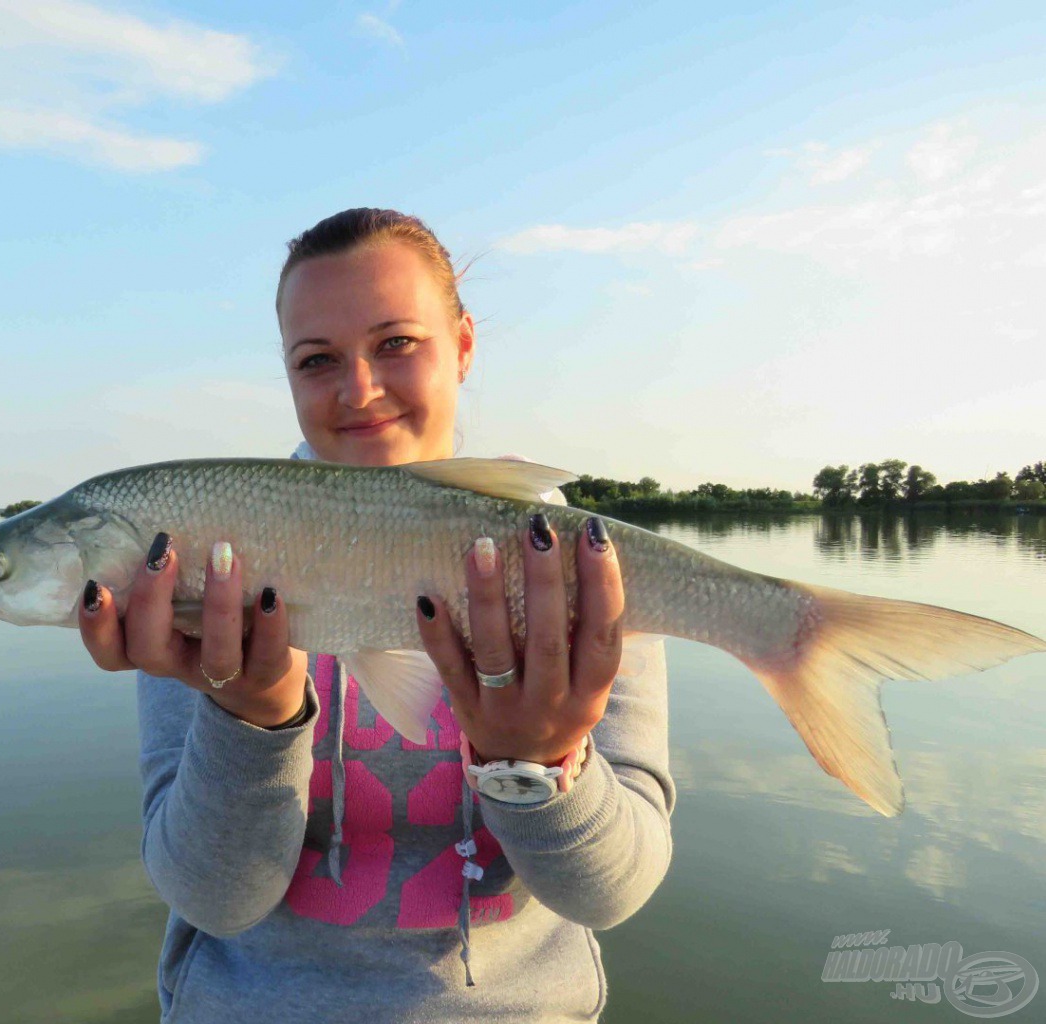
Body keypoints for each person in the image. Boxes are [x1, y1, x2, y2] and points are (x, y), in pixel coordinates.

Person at [78, 208, 675, 1023]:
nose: (359, 390)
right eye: (317, 359)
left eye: (397, 343)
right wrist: (251, 716)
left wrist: (538, 764)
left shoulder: (565, 566)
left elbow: (614, 892)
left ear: (463, 345)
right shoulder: (210, 557)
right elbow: (216, 900)